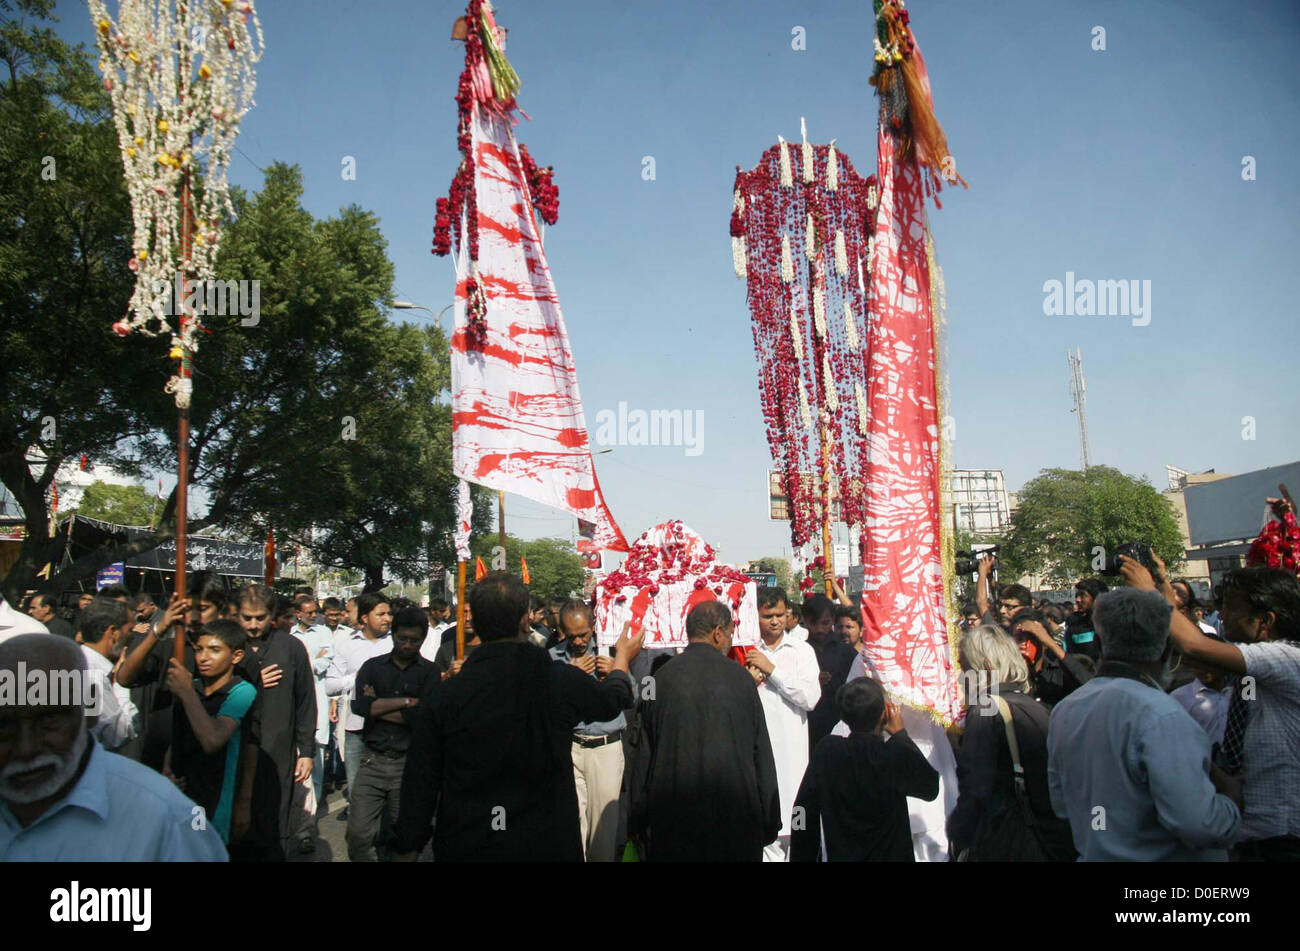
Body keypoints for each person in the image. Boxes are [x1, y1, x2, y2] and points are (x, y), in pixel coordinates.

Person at [393, 572, 640, 861]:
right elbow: (613, 701)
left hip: (470, 841)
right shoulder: (557, 679)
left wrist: (407, 846)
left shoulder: (447, 694)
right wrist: (622, 660)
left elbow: (419, 784)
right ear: (526, 620)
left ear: (478, 624)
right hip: (545, 841)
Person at [1047, 588, 1241, 861]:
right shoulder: (1162, 714)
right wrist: (1231, 801)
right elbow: (1198, 824)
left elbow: (1063, 805)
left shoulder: (1067, 709)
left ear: (1101, 644)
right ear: (1164, 649)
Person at [0, 633, 227, 860]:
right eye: (4, 726)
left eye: (49, 721)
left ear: (89, 709)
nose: (26, 747)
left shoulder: (167, 818)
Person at [1138, 554, 1300, 860]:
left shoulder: (1287, 658)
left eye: (1231, 607)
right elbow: (1199, 654)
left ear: (1265, 621)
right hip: (1253, 836)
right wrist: (1161, 584)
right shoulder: (1257, 666)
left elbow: (1195, 647)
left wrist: (1151, 591)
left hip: (1283, 839)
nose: (1221, 615)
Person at [628, 599, 780, 861]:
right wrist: (769, 817)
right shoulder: (741, 679)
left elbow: (643, 756)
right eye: (731, 633)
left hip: (673, 823)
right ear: (718, 633)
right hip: (735, 820)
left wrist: (637, 819)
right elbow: (761, 752)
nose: (731, 640)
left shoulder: (658, 680)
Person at [947, 625, 1074, 861]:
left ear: (984, 667)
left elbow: (974, 786)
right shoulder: (1034, 706)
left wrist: (957, 835)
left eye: (964, 668)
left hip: (1008, 841)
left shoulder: (987, 709)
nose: (960, 678)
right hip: (1049, 839)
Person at [791, 678, 939, 861]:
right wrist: (901, 736)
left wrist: (800, 853)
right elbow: (931, 787)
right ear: (884, 714)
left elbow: (801, 809)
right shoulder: (894, 753)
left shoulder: (828, 752)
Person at [347, 608, 439, 862]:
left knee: (406, 835)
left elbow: (423, 718)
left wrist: (379, 706)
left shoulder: (429, 673)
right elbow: (361, 707)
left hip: (408, 765)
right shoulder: (373, 667)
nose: (407, 645)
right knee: (358, 833)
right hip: (372, 760)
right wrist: (408, 702)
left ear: (423, 639)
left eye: (414, 640)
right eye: (402, 639)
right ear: (393, 635)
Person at [549, 599, 635, 862]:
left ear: (594, 626)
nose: (577, 642)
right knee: (572, 824)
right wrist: (569, 676)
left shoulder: (610, 654)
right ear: (562, 631)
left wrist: (618, 672)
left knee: (602, 828)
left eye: (583, 635)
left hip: (605, 748)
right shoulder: (552, 658)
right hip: (570, 747)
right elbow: (544, 704)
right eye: (571, 636)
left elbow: (635, 697)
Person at [235, 584, 316, 857]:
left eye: (260, 618)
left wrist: (306, 751)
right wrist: (252, 676)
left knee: (274, 818)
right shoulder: (227, 645)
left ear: (272, 615)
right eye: (247, 618)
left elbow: (305, 700)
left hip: (277, 748)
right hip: (233, 745)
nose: (254, 625)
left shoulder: (291, 647)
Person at [165, 620, 259, 848]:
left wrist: (187, 693)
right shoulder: (191, 686)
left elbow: (213, 740)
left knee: (204, 849)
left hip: (215, 798)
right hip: (183, 791)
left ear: (236, 656)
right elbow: (178, 733)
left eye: (214, 650)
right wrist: (167, 770)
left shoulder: (241, 691)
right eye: (199, 650)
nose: (203, 657)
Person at [744, 586, 820, 861]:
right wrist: (747, 683)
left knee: (796, 832)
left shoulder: (802, 651)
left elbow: (810, 698)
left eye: (779, 614)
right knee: (766, 837)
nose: (775, 621)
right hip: (759, 759)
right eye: (767, 616)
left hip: (793, 760)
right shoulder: (745, 651)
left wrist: (772, 671)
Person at [325, 592, 393, 813]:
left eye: (389, 613)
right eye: (380, 614)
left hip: (390, 728)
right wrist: (356, 678)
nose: (387, 618)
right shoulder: (346, 646)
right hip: (356, 728)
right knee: (357, 792)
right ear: (364, 617)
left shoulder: (396, 644)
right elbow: (331, 686)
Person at [290, 594, 333, 853]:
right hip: (293, 706)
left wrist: (305, 663)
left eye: (314, 611)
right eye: (307, 612)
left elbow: (325, 660)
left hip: (317, 701)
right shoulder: (290, 636)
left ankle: (308, 823)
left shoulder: (324, 632)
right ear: (297, 614)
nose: (312, 615)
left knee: (315, 761)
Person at [74, 596, 139, 753]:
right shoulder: (93, 677)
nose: (132, 636)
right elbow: (120, 733)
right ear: (113, 633)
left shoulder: (76, 662)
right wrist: (121, 683)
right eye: (130, 630)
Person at [1007, 608, 1093, 707]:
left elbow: (1090, 687)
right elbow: (987, 710)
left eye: (1034, 638)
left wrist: (1053, 645)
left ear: (1044, 642)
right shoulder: (1005, 676)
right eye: (1019, 638)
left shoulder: (1058, 674)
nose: (1024, 645)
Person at [804, 594, 856, 749]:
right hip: (809, 726)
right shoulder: (800, 651)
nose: (820, 629)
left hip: (840, 722)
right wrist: (813, 683)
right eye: (814, 623)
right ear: (805, 621)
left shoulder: (847, 653)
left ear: (833, 619)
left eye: (825, 623)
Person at [1064, 578, 1108, 660]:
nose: (1078, 600)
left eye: (1083, 595)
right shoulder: (1074, 627)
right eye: (1077, 595)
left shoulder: (1115, 625)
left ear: (1097, 598)